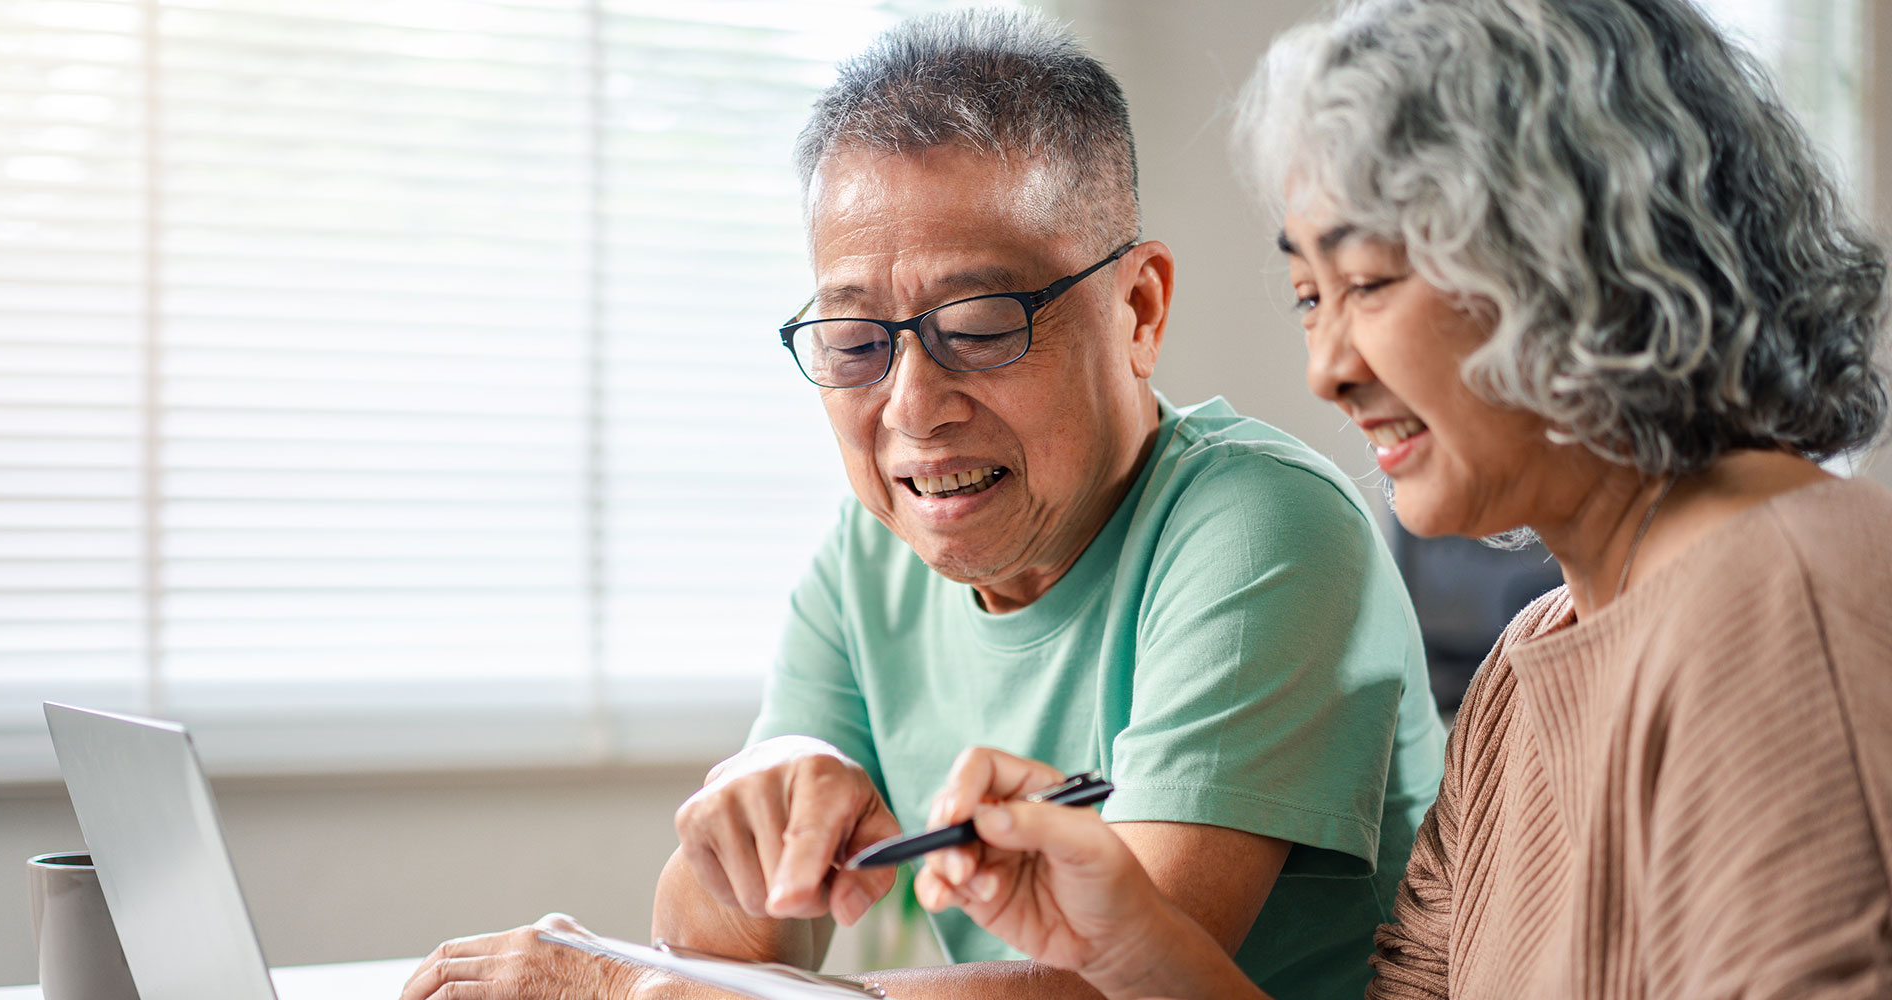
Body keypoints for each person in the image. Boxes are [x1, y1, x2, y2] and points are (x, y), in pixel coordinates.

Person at [399, 9, 1447, 1000]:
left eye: (982, 325)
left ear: (1138, 308)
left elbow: (1108, 983)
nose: (911, 407)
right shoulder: (869, 557)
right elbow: (739, 938)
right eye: (854, 344)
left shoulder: (1259, 527)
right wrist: (753, 819)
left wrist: (631, 988)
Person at [913, 0, 1892, 997]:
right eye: (1308, 297)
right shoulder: (1520, 671)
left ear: (1575, 257)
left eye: (1367, 281)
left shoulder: (1785, 599)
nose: (1324, 371)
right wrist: (1122, 936)